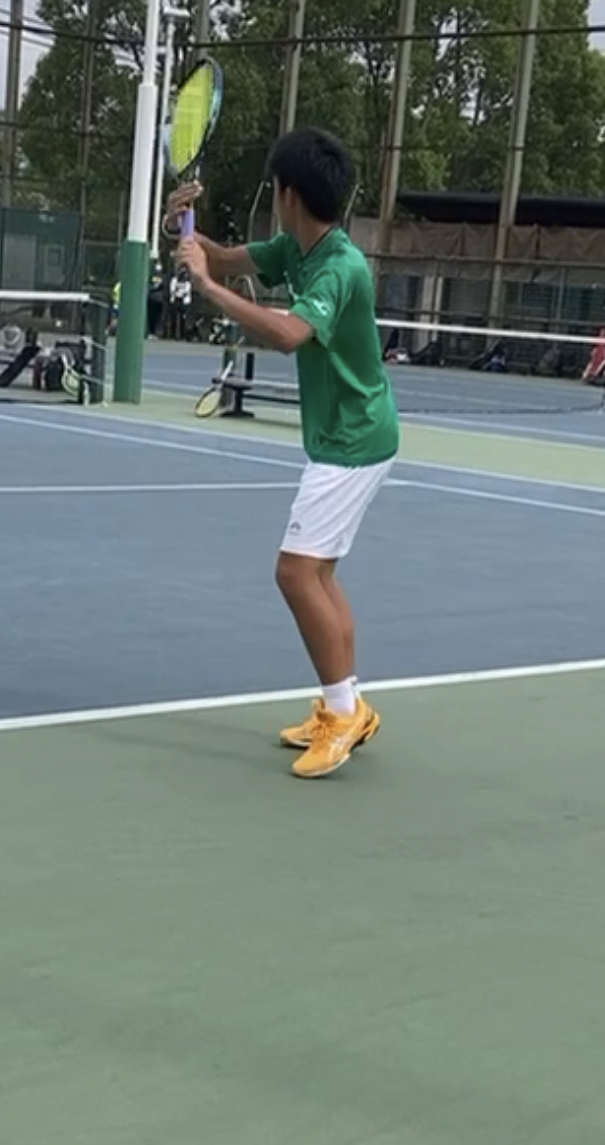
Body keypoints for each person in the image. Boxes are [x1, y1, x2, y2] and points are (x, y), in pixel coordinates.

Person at [166, 126, 399, 780]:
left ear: (287, 194)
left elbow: (290, 333)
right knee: (317, 575)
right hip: (349, 435)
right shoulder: (297, 247)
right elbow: (223, 257)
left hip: (353, 439)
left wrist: (208, 288)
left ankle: (343, 714)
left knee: (295, 574)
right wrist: (181, 230)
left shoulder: (339, 267)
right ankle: (347, 706)